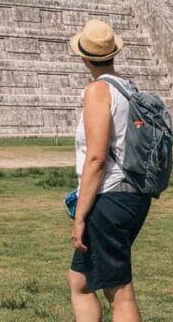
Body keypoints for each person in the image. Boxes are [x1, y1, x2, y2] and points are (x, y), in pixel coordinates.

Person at [66, 18, 152, 322]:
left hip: (110, 198)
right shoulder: (128, 88)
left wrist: (80, 217)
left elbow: (97, 158)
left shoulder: (98, 91)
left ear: (84, 58)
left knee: (120, 291)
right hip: (133, 194)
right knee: (80, 280)